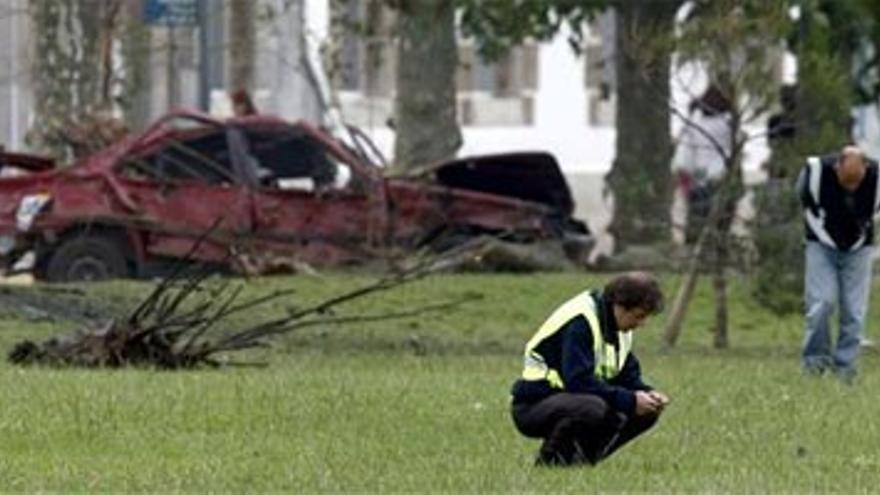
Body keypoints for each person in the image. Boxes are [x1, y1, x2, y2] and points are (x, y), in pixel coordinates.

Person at [510, 272, 669, 466]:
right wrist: (630, 399)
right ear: (619, 306)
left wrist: (647, 394)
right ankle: (549, 464)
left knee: (646, 410)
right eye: (639, 316)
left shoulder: (619, 329)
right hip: (535, 405)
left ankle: (582, 463)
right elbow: (578, 381)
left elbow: (627, 377)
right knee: (592, 407)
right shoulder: (581, 321)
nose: (642, 324)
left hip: (574, 399)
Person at [796, 145, 880, 382]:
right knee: (821, 304)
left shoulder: (878, 178)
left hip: (859, 248)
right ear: (837, 167)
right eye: (847, 182)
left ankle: (845, 370)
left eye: (857, 182)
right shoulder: (815, 172)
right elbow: (802, 199)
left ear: (866, 167)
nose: (852, 188)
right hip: (820, 244)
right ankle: (814, 365)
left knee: (854, 312)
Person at [671, 85, 733, 243]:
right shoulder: (729, 125)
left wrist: (684, 178)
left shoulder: (693, 125)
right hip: (721, 176)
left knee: (697, 221)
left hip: (698, 178)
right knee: (721, 224)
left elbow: (684, 158)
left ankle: (695, 250)